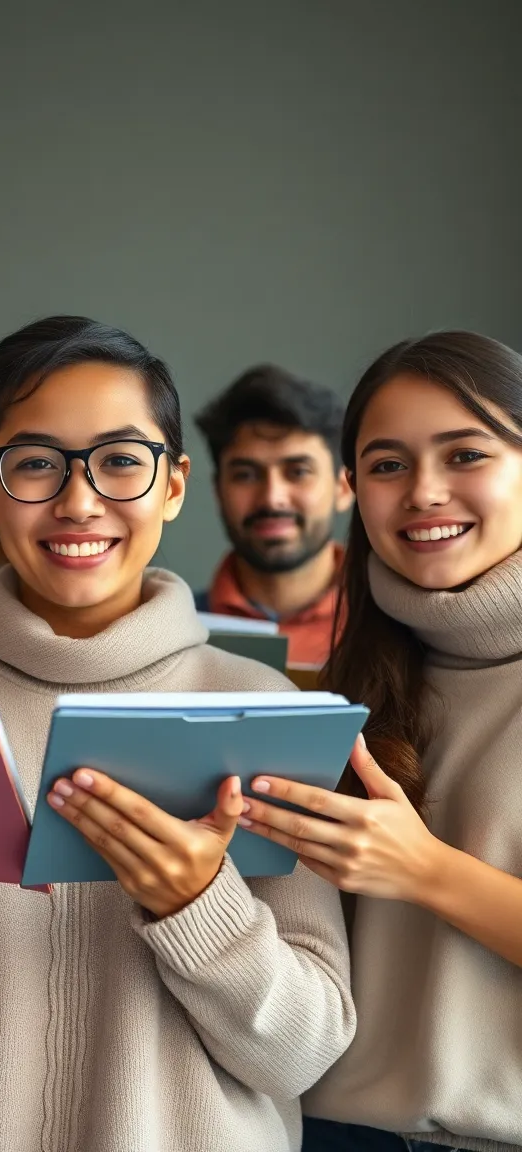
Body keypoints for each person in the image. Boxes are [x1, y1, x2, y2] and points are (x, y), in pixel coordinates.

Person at [0, 316, 356, 1152]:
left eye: (122, 461)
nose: (80, 499)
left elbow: (300, 1055)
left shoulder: (261, 706)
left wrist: (199, 909)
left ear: (173, 484)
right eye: (35, 464)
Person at [237, 332, 522, 1151]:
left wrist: (427, 870)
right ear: (354, 490)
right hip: (323, 1133)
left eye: (465, 453)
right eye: (388, 465)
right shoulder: (343, 687)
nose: (424, 492)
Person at [194, 365, 353, 664]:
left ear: (343, 488)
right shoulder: (174, 633)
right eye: (245, 475)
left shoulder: (401, 628)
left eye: (298, 472)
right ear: (218, 492)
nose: (272, 497)